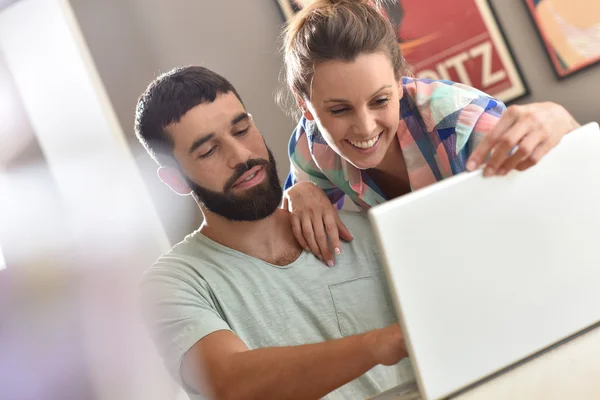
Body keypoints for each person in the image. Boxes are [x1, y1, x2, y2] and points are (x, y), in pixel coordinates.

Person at [135, 66, 415, 400]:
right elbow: (228, 382)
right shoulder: (174, 283)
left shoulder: (364, 227)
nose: (241, 156)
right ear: (175, 180)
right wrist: (380, 344)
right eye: (209, 151)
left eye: (241, 130)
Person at [281, 0, 581, 267]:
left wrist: (573, 137)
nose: (366, 127)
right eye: (339, 110)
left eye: (380, 100)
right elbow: (299, 248)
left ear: (400, 82)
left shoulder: (462, 121)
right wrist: (298, 193)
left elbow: (574, 202)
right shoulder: (311, 146)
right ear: (304, 105)